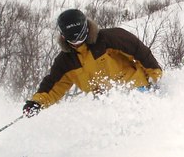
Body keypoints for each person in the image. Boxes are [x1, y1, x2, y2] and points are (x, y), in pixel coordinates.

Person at [23, 9, 162, 116]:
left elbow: (140, 51)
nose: (78, 42)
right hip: (107, 105)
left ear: (87, 28)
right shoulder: (66, 61)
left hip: (136, 90)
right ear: (63, 36)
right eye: (73, 39)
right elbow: (53, 86)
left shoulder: (109, 39)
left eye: (81, 36)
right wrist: (36, 103)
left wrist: (156, 77)